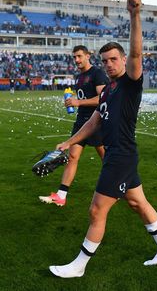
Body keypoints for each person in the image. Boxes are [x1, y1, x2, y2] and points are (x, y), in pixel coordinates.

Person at [49, 0, 157, 278]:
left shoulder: (131, 83)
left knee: (96, 210)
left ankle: (79, 266)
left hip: (121, 156)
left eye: (113, 59)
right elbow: (94, 122)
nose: (108, 64)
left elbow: (136, 54)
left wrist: (134, 15)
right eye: (104, 60)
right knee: (136, 202)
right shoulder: (107, 90)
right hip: (120, 155)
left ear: (122, 60)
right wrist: (69, 142)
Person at [39, 45, 109, 206]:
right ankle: (61, 195)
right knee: (72, 157)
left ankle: (120, 186)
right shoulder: (79, 77)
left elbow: (102, 99)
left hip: (96, 122)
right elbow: (83, 99)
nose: (76, 60)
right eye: (74, 57)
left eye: (79, 56)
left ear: (87, 56)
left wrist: (78, 102)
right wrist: (72, 101)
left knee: (107, 158)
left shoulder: (97, 74)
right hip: (81, 122)